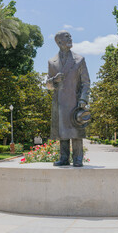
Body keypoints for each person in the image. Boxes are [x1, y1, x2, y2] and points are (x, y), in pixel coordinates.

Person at [46, 30, 90, 167]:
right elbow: (48, 85)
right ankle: (64, 158)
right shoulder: (52, 62)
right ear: (59, 42)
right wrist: (54, 80)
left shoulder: (79, 59)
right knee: (62, 132)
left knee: (76, 131)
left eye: (70, 36)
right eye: (67, 37)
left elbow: (86, 82)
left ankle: (78, 158)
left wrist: (83, 99)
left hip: (75, 102)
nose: (70, 38)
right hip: (60, 102)